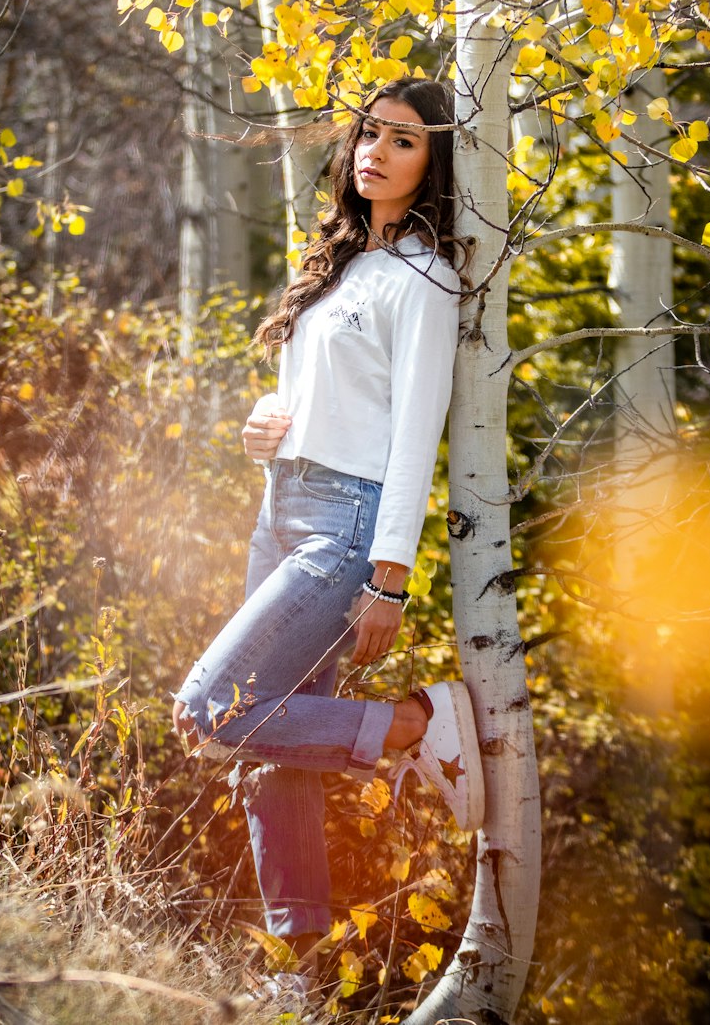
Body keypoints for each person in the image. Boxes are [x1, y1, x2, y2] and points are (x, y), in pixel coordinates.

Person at [172, 78, 484, 989]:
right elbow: (313, 392)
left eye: (403, 142)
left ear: (434, 164)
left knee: (211, 713)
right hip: (282, 507)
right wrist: (265, 422)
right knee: (270, 759)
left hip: (346, 524)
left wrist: (390, 576)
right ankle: (298, 968)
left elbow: (413, 426)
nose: (375, 153)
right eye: (369, 135)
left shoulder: (426, 276)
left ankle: (414, 725)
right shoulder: (342, 260)